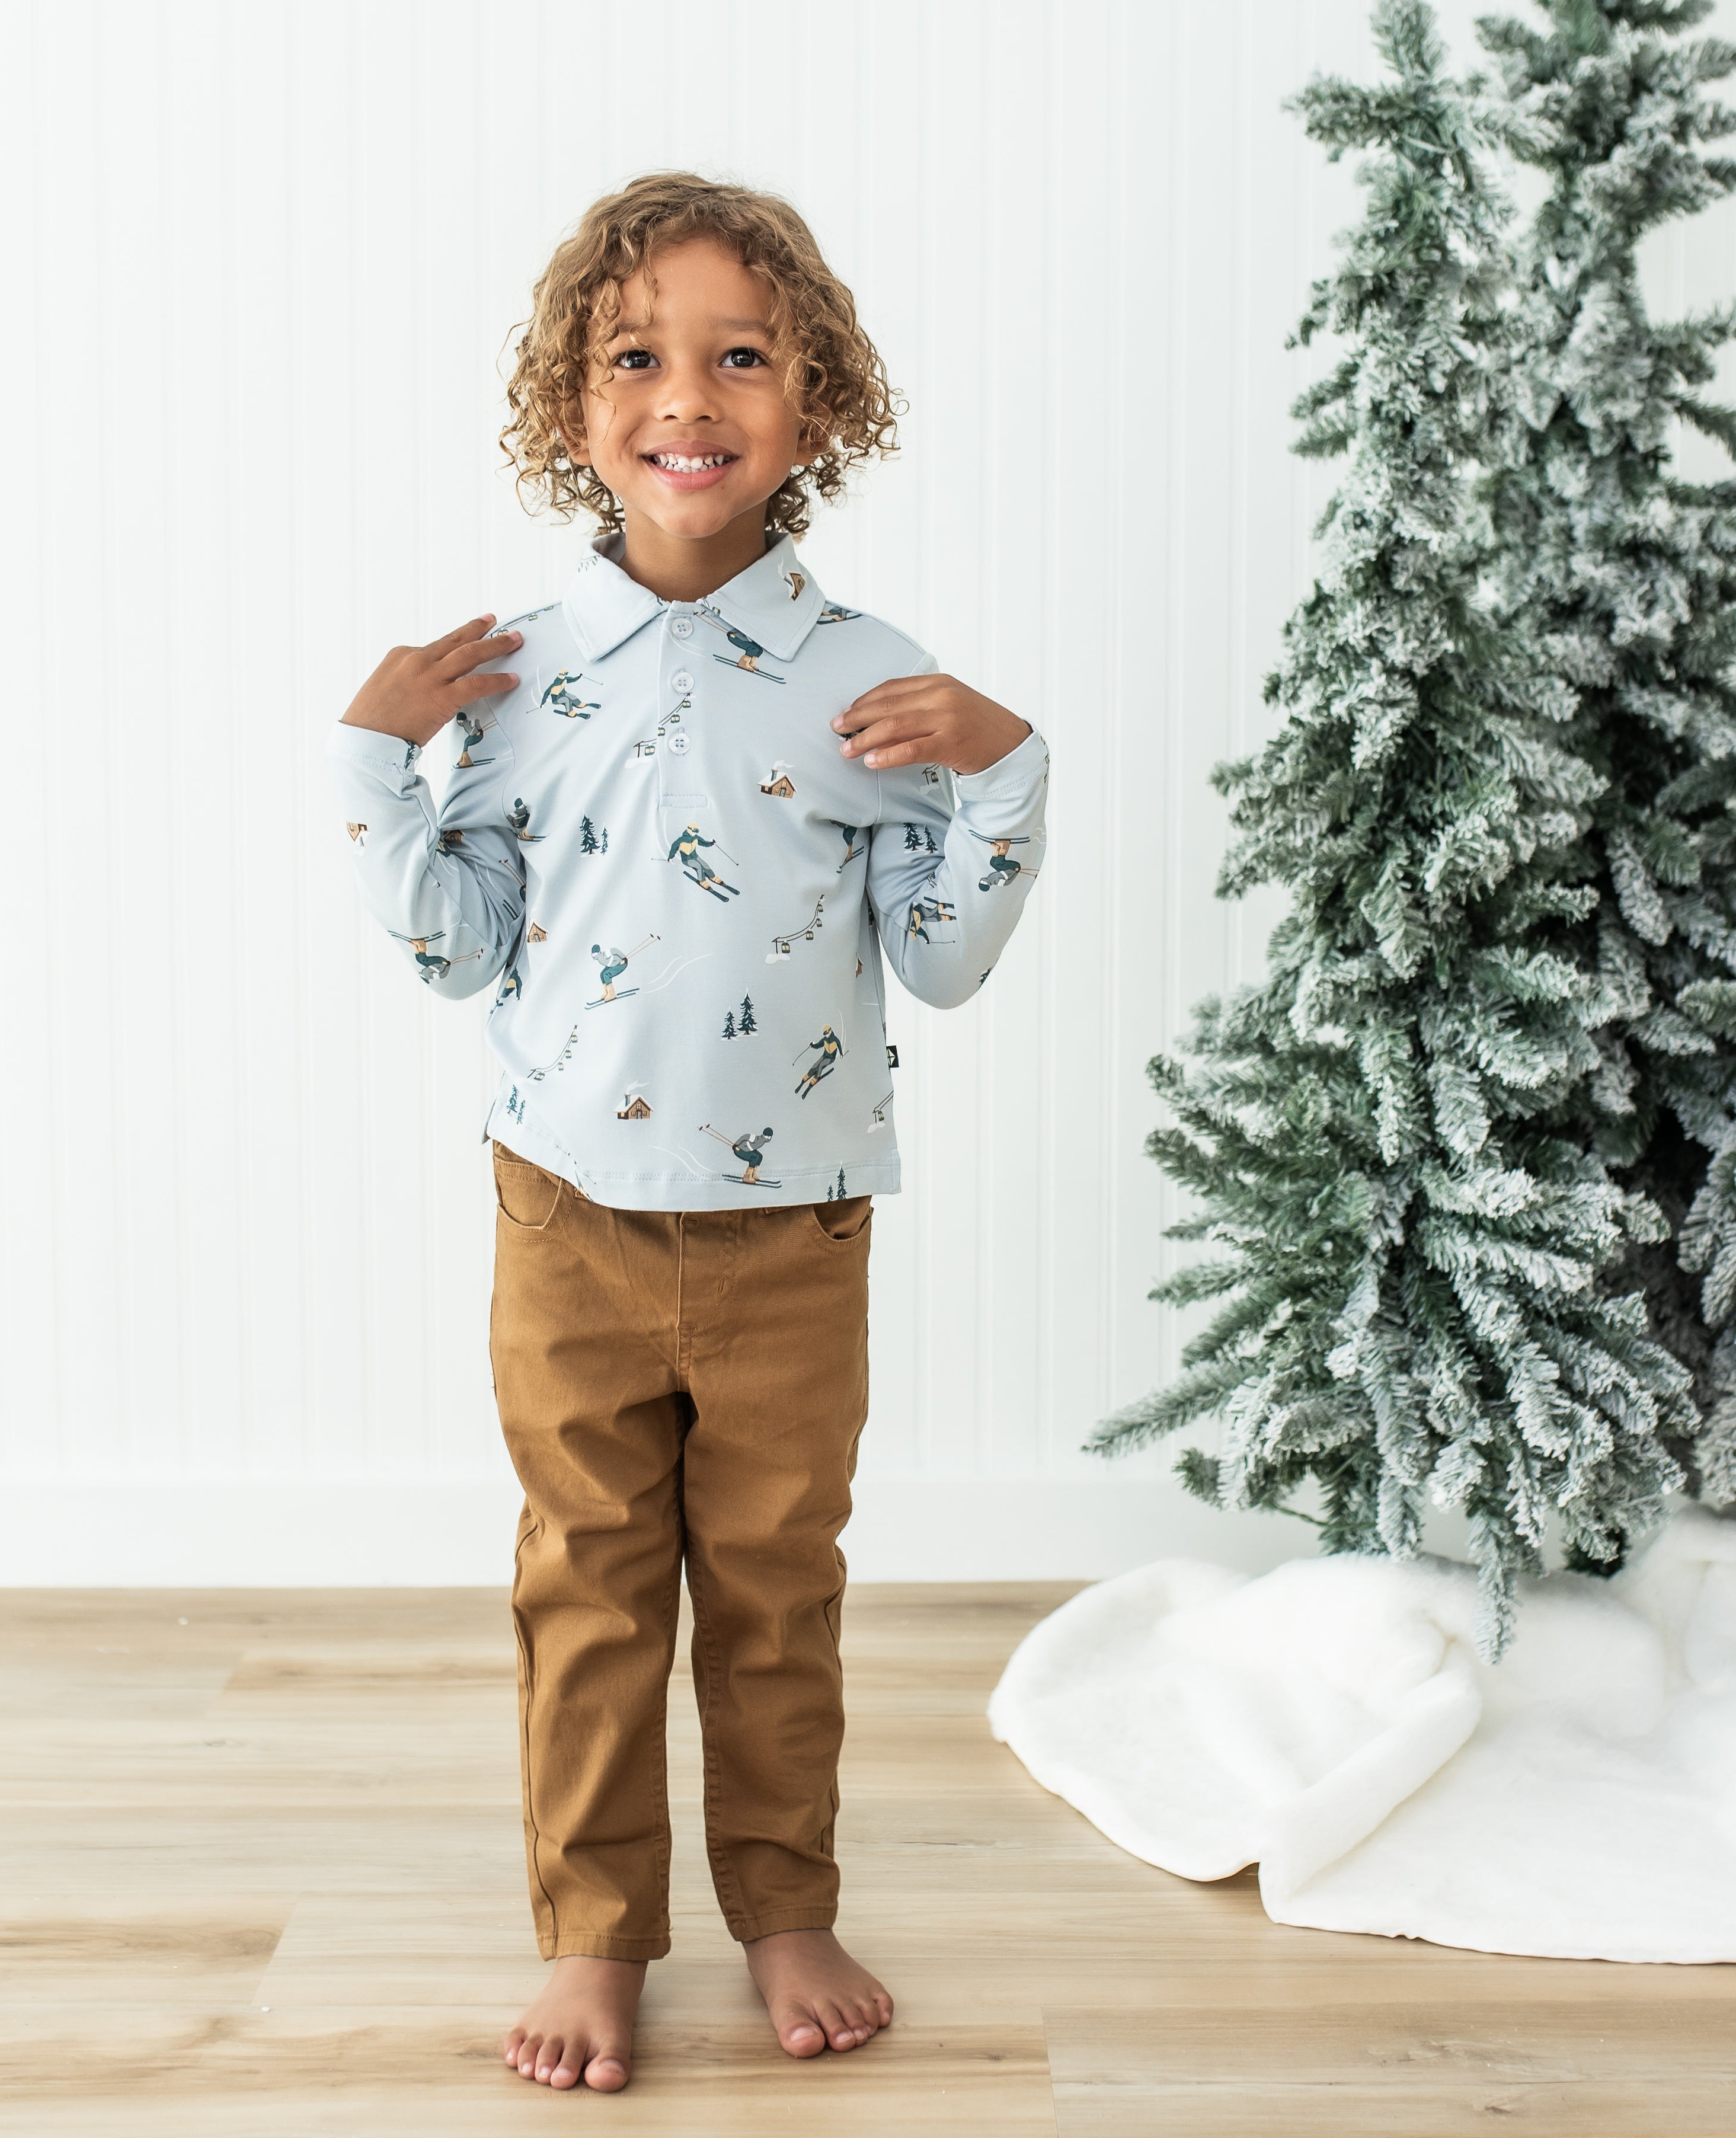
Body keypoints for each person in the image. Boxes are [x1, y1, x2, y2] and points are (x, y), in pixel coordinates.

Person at [327, 171, 1050, 2093]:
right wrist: (369, 764)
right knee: (587, 1583)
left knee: (774, 1589)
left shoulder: (865, 677)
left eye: (743, 355)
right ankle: (594, 1930)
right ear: (574, 413)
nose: (688, 393)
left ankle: (785, 1901)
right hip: (565, 1213)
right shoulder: (519, 676)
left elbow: (945, 964)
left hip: (794, 1234)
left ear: (816, 407)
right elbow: (460, 948)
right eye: (636, 357)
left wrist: (1005, 773)